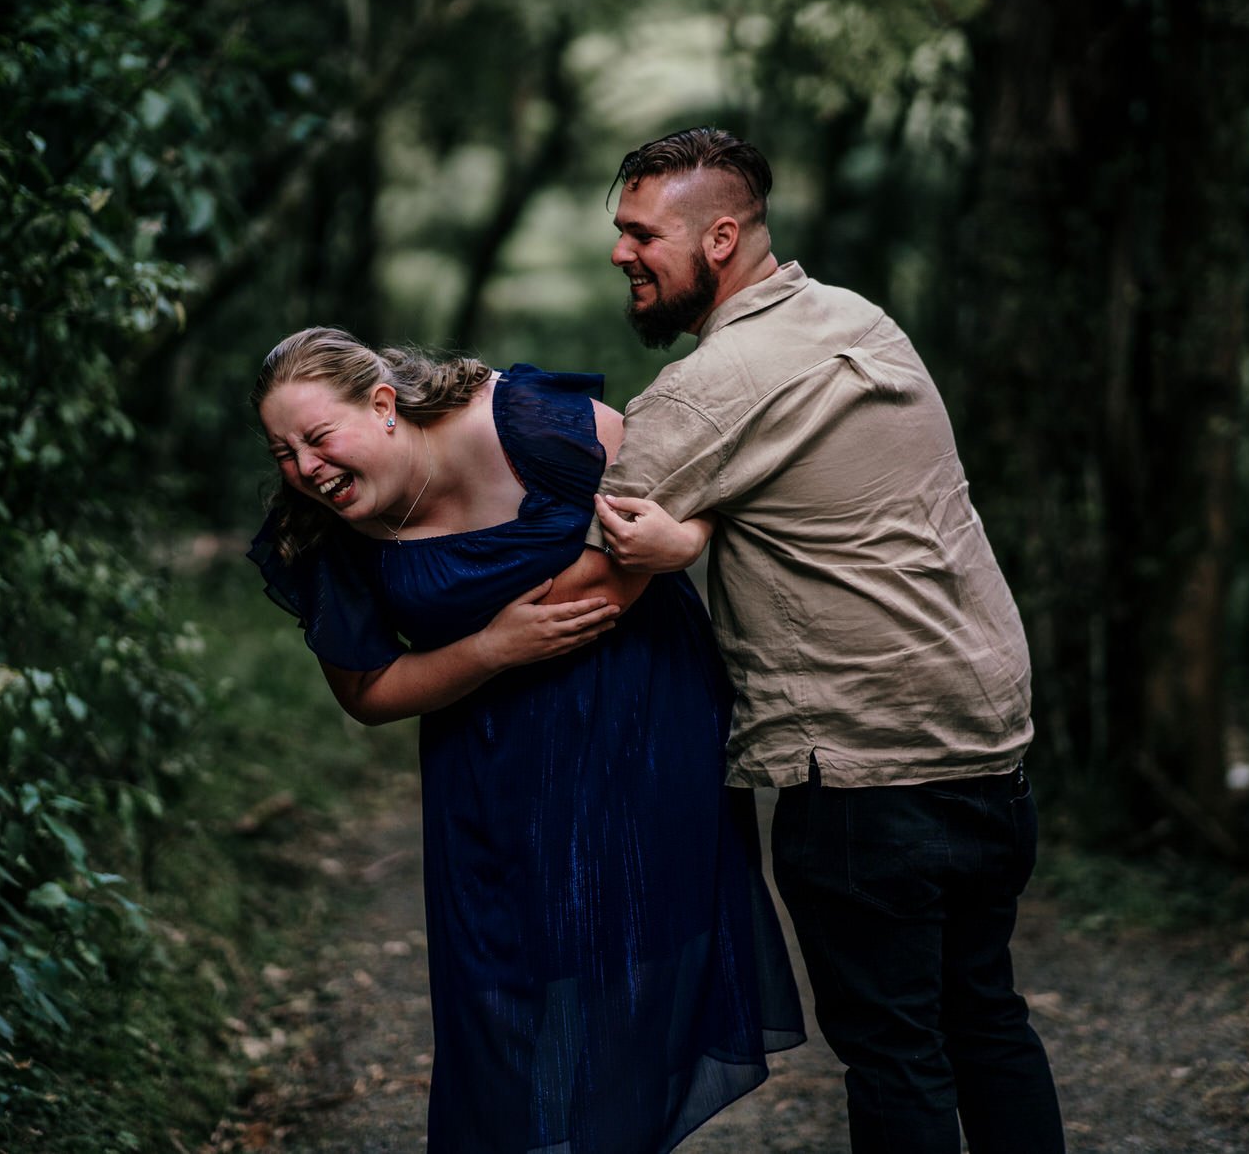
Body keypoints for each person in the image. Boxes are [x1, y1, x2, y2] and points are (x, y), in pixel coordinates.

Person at [582, 128, 1066, 1154]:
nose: (619, 252)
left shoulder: (711, 387)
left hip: (863, 769)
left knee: (895, 1054)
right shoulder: (857, 320)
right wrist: (705, 524)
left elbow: (595, 555)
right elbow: (798, 475)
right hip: (985, 745)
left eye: (638, 234)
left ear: (718, 238)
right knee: (983, 1016)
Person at [248, 328, 804, 1154]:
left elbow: (670, 499)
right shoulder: (322, 528)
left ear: (383, 403)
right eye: (283, 452)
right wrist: (488, 648)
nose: (305, 468)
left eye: (318, 437)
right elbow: (366, 692)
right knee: (499, 994)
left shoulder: (525, 421)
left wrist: (673, 548)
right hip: (487, 771)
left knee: (628, 970)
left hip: (642, 725)